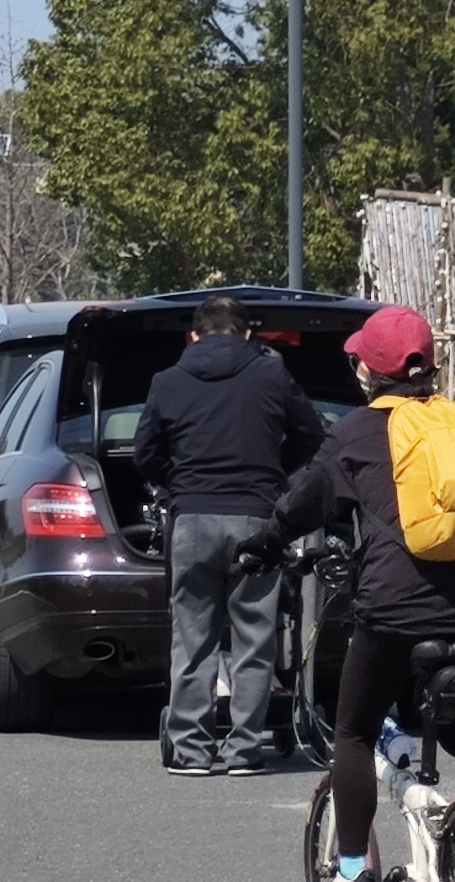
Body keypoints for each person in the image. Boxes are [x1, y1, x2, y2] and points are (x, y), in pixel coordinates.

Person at [255, 304, 455, 882]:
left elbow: (306, 498)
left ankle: (352, 873)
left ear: (369, 371)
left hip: (396, 607)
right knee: (441, 695)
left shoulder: (356, 431)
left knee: (353, 729)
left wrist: (266, 541)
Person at [135, 293, 331, 773]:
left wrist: (180, 484)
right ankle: (245, 749)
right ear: (248, 334)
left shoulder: (168, 380)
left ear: (194, 335)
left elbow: (145, 454)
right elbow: (312, 437)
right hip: (256, 520)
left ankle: (192, 750)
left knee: (193, 638)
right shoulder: (272, 375)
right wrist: (274, 477)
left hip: (193, 520)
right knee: (255, 636)